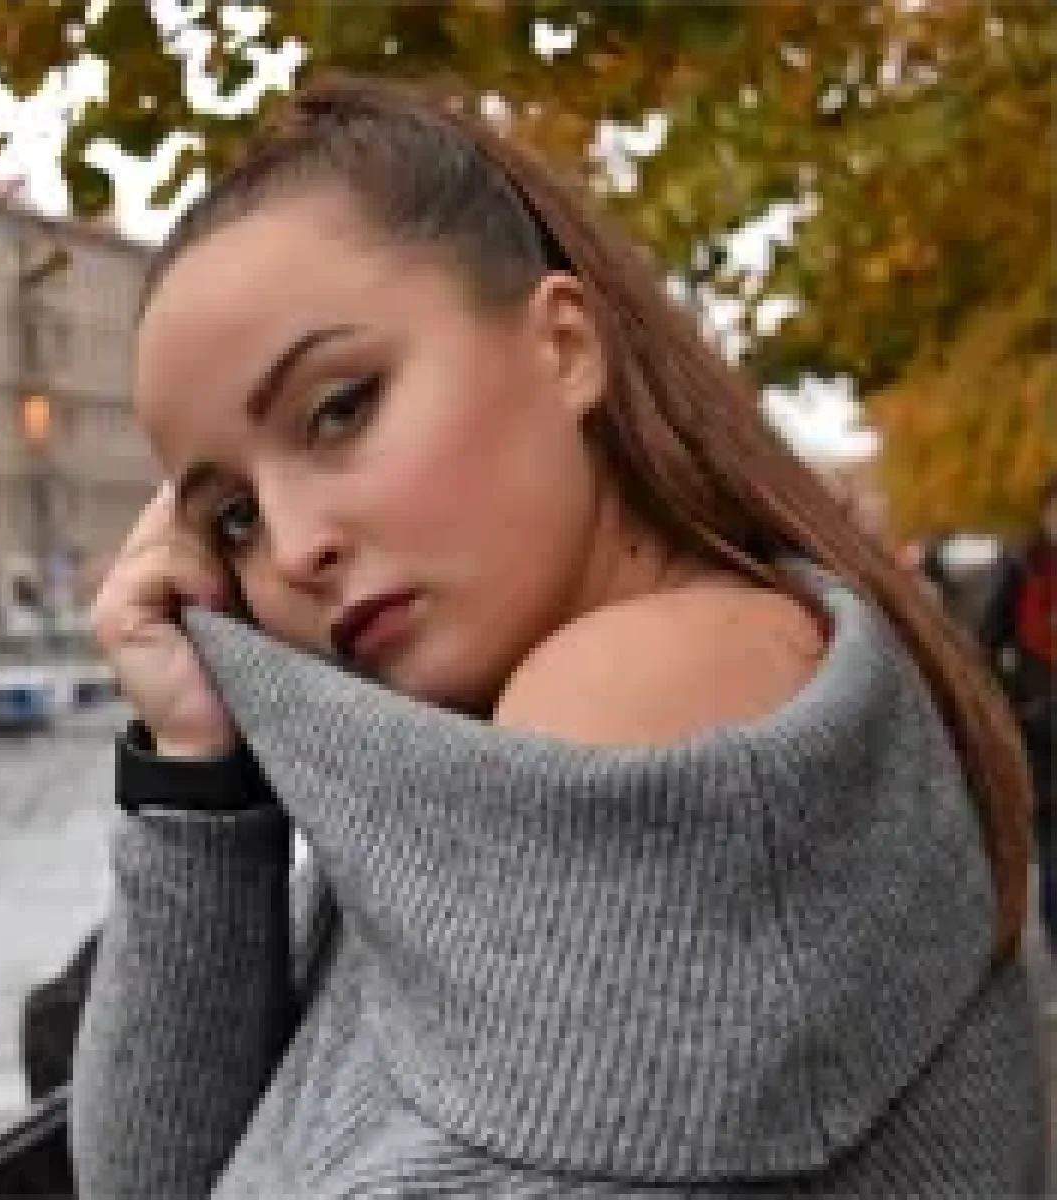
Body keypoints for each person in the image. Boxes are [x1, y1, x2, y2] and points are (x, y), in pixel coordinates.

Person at [71, 74, 1045, 1197]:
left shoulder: (641, 694)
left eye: (340, 409)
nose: (292, 549)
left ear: (565, 346)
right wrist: (195, 768)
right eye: (232, 518)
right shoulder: (503, 759)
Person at [980, 476, 1057, 957]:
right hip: (1044, 737)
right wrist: (1015, 706)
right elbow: (985, 645)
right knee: (1054, 866)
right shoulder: (1023, 570)